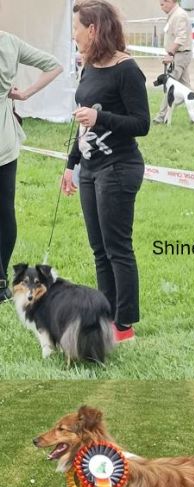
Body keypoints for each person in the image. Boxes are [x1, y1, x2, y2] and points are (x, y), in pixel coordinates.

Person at [60, 0, 149, 343]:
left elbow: (141, 123)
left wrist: (102, 118)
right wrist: (71, 166)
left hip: (119, 168)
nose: (74, 37)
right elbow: (83, 122)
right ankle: (105, 314)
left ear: (93, 29)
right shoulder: (89, 65)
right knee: (99, 248)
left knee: (117, 248)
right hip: (91, 168)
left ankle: (124, 325)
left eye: (76, 29)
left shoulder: (127, 69)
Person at [0, 29, 62, 302]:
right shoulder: (9, 41)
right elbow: (54, 65)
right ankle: (1, 279)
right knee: (5, 210)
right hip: (5, 141)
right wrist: (22, 94)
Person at [153, 0, 192, 124]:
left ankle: (161, 117)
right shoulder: (174, 14)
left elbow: (181, 37)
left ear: (171, 1)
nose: (161, 5)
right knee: (186, 88)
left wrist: (170, 53)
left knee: (170, 85)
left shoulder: (180, 15)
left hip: (179, 55)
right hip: (179, 55)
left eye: (163, 3)